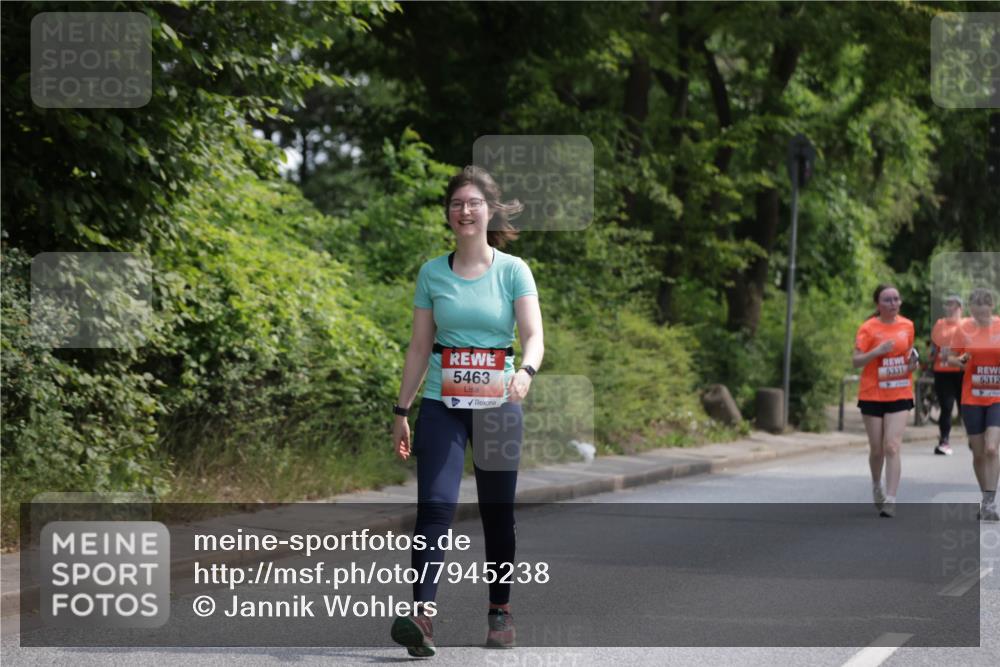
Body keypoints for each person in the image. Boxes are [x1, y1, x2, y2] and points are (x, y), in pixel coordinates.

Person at [389, 166, 544, 656]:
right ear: (449, 215)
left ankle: (500, 609)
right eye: (457, 204)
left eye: (474, 202)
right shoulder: (432, 272)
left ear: (489, 210)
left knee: (497, 512)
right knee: (434, 506)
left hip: (500, 404)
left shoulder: (514, 270)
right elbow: (418, 346)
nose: (465, 210)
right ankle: (423, 618)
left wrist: (526, 372)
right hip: (442, 402)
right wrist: (402, 409)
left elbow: (534, 336)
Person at [852, 284, 918, 517]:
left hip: (900, 391)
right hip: (872, 393)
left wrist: (912, 364)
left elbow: (909, 355)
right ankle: (876, 485)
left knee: (892, 445)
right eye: (887, 300)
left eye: (896, 299)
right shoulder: (868, 328)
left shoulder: (907, 326)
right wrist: (876, 352)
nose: (893, 303)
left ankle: (891, 498)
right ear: (878, 304)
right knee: (877, 449)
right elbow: (856, 361)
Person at [946, 288, 1000, 522]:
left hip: (997, 398)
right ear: (970, 309)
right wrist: (960, 361)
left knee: (991, 448)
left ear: (991, 306)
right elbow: (950, 356)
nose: (979, 310)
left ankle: (989, 502)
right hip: (972, 398)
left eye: (984, 306)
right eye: (975, 306)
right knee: (978, 454)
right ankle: (985, 497)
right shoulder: (963, 329)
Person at [929, 295, 965, 455]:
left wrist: (955, 359)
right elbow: (934, 347)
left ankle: (975, 438)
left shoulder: (967, 325)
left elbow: (972, 352)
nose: (950, 308)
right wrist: (932, 356)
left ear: (960, 308)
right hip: (942, 372)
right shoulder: (939, 324)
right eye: (948, 305)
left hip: (962, 372)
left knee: (967, 407)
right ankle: (944, 441)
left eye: (954, 305)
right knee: (946, 407)